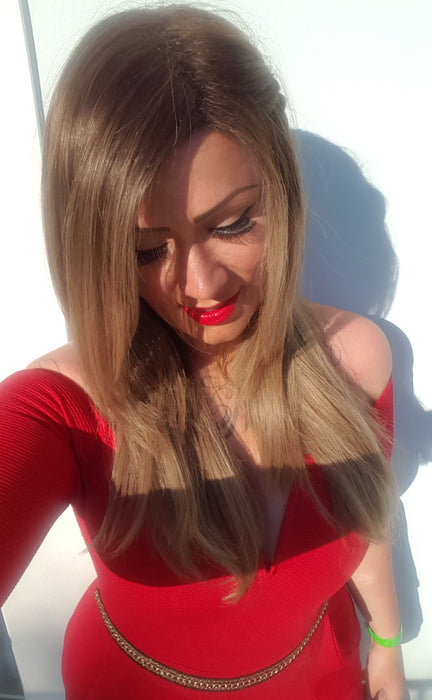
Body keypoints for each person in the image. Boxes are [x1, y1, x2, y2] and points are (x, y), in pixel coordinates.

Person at [0, 5, 405, 699]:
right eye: (145, 250)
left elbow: (365, 526)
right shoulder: (64, 410)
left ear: (281, 191)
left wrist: (390, 646)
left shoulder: (356, 359)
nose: (201, 285)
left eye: (235, 222)